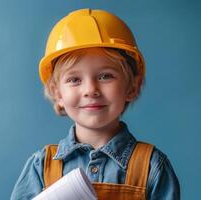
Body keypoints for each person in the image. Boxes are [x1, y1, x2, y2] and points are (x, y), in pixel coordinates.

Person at [10, 8, 180, 200]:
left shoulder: (152, 166)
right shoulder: (42, 166)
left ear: (133, 86)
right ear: (57, 93)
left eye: (105, 76)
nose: (90, 89)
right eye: (74, 79)